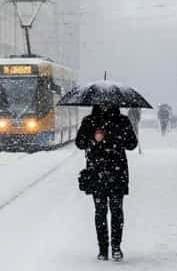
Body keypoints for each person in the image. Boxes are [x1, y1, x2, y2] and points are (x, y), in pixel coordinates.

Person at [77, 105, 138, 261]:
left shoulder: (90, 120)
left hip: (97, 172)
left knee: (101, 211)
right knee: (115, 210)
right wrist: (115, 138)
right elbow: (132, 144)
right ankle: (114, 248)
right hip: (116, 173)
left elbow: (80, 143)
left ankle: (104, 250)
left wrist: (95, 136)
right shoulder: (122, 121)